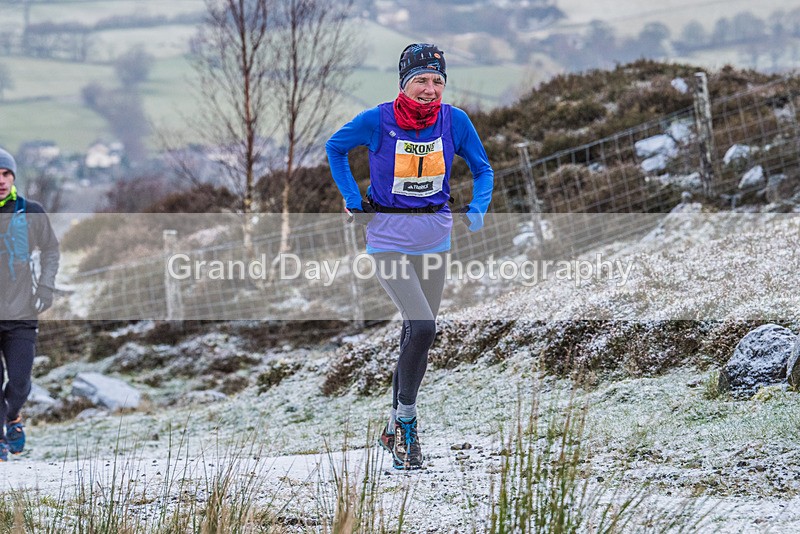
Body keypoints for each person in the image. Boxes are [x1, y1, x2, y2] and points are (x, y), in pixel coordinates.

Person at [326, 44, 494, 470]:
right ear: (403, 83)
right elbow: (335, 147)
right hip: (387, 237)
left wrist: (477, 210)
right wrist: (351, 198)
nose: (430, 88)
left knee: (416, 332)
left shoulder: (455, 120)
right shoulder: (376, 120)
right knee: (423, 325)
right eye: (421, 79)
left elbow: (483, 168)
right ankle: (406, 423)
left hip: (435, 236)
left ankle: (391, 431)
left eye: (437, 80)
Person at [0, 147, 60, 461]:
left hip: (22, 311)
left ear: (13, 177)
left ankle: (12, 416)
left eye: (6, 173)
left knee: (20, 382)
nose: (1, 180)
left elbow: (51, 249)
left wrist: (47, 286)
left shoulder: (30, 211)